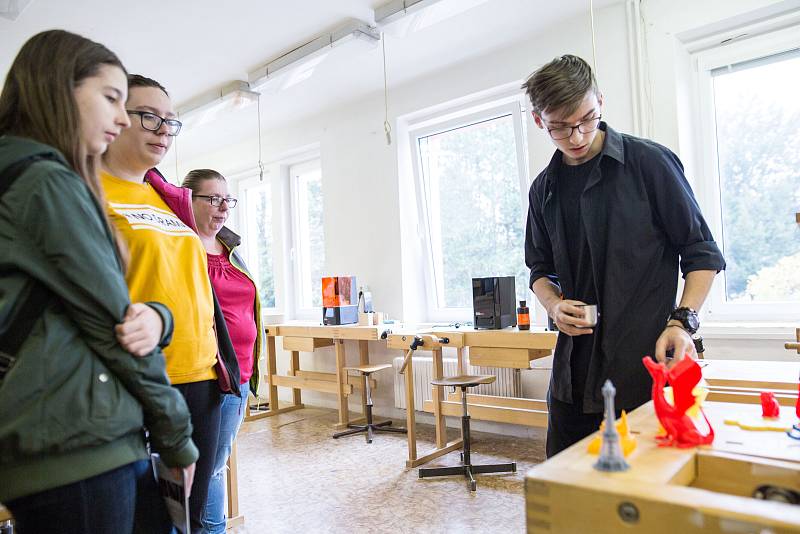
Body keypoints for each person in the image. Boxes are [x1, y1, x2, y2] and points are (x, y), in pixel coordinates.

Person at [0, 30, 198, 533]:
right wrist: (176, 437)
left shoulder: (23, 174)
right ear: (59, 89)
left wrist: (161, 316)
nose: (119, 116)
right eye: (111, 98)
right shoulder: (47, 181)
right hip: (77, 439)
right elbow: (113, 322)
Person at [521, 55, 726, 457]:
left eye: (586, 118)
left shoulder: (650, 164)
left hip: (644, 368)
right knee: (569, 498)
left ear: (600, 100)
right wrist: (554, 305)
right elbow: (540, 270)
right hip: (573, 378)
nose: (577, 136)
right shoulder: (543, 189)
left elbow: (701, 253)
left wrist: (683, 322)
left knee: (647, 498)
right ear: (539, 121)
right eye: (560, 128)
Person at [101, 75, 240, 532]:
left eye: (170, 121)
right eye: (149, 117)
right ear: (115, 117)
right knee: (147, 521)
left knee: (190, 518)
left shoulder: (165, 197)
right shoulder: (89, 189)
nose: (163, 129)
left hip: (201, 378)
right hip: (140, 382)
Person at [182, 169, 264, 533]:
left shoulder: (231, 250)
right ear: (188, 200)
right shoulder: (185, 248)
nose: (223, 207)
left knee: (217, 462)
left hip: (241, 375)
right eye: (212, 199)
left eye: (227, 199)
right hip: (211, 376)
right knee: (209, 467)